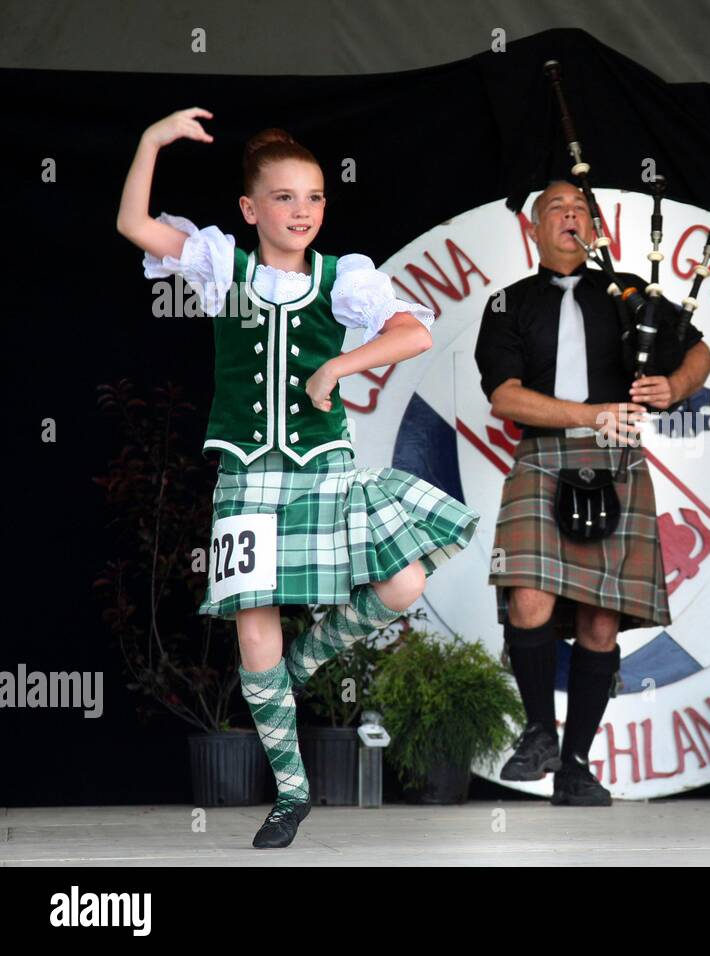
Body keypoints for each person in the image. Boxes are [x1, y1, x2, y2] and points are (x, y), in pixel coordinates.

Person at [116, 108, 479, 848]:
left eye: (313, 197)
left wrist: (341, 365)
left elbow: (415, 331)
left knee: (403, 582)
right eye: (284, 198)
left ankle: (303, 663)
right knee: (254, 636)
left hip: (323, 464)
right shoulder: (224, 265)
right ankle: (291, 793)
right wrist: (152, 141)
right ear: (251, 209)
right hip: (247, 475)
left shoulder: (342, 279)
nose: (302, 211)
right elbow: (135, 226)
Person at [474, 180, 710, 805]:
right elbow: (504, 396)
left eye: (581, 210)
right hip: (544, 456)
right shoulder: (508, 303)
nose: (571, 217)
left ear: (597, 228)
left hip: (617, 462)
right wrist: (591, 414)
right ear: (533, 229)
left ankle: (576, 765)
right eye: (557, 209)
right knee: (529, 597)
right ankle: (537, 732)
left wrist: (673, 387)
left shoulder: (630, 291)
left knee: (601, 621)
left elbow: (699, 354)